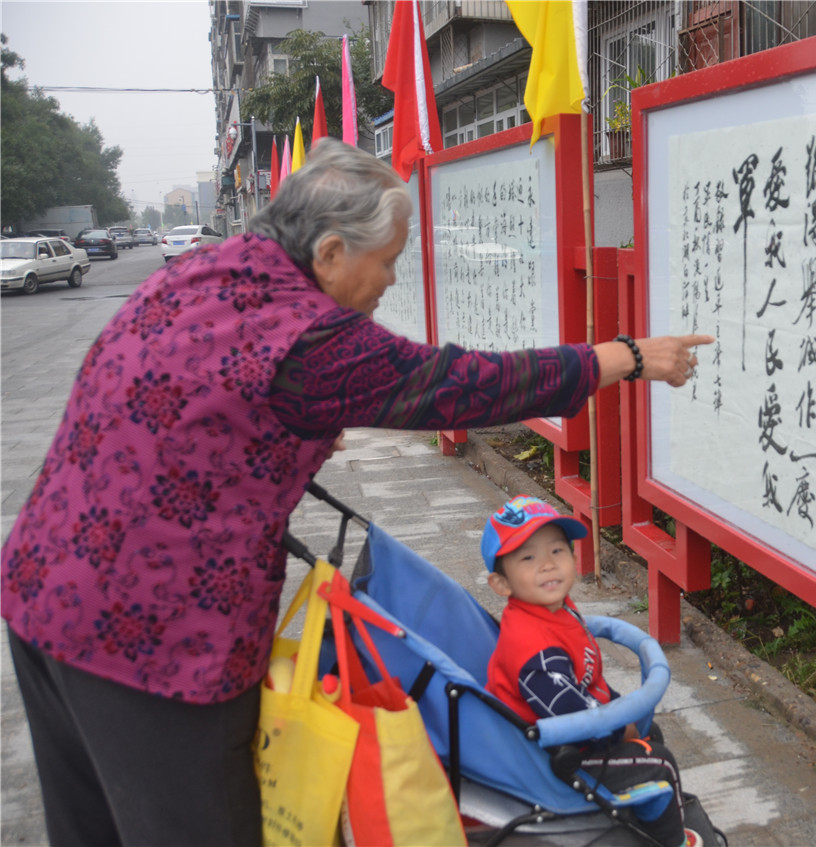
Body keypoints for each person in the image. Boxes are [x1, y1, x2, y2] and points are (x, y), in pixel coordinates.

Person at [0, 137, 712, 847]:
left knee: (88, 826)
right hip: (153, 638)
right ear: (333, 253)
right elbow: (458, 385)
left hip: (41, 586)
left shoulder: (208, 271)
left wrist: (289, 434)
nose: (393, 280)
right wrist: (629, 356)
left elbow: (195, 406)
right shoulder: (310, 339)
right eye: (390, 260)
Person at [482, 496, 716, 847]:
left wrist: (621, 715)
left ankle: (641, 818)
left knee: (652, 738)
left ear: (574, 557)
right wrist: (621, 727)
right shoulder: (534, 651)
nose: (547, 565)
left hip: (573, 730)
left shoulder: (552, 607)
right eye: (528, 557)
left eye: (557, 551)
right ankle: (670, 842)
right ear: (501, 584)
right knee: (659, 763)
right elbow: (572, 715)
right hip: (553, 756)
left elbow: (583, 682)